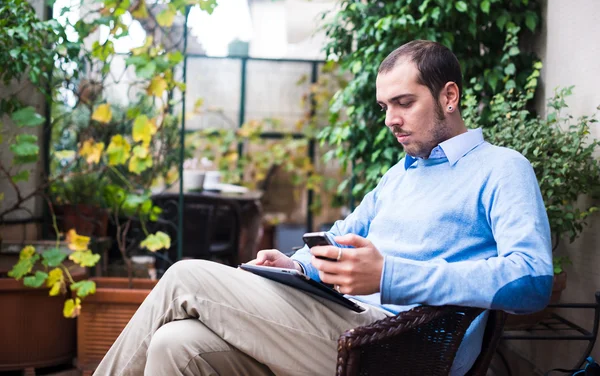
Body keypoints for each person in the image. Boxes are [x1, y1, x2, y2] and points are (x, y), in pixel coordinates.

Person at [96, 40, 553, 376]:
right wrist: (296, 265)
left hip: (407, 347)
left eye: (404, 103)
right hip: (342, 322)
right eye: (384, 106)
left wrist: (390, 275)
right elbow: (343, 234)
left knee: (183, 277)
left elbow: (532, 279)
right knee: (177, 346)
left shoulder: (501, 169)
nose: (391, 119)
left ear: (449, 97)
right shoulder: (402, 174)